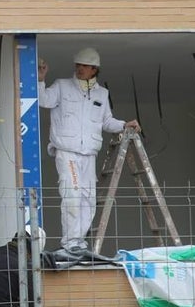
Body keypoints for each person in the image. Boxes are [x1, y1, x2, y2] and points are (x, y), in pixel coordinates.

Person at [38, 48, 139, 261]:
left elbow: (105, 122)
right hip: (67, 152)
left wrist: (124, 125)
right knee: (72, 195)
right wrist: (40, 79)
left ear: (94, 69)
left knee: (88, 199)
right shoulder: (62, 86)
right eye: (78, 65)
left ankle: (79, 242)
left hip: (88, 154)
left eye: (84, 66)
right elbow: (44, 100)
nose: (79, 69)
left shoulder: (102, 94)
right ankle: (71, 243)